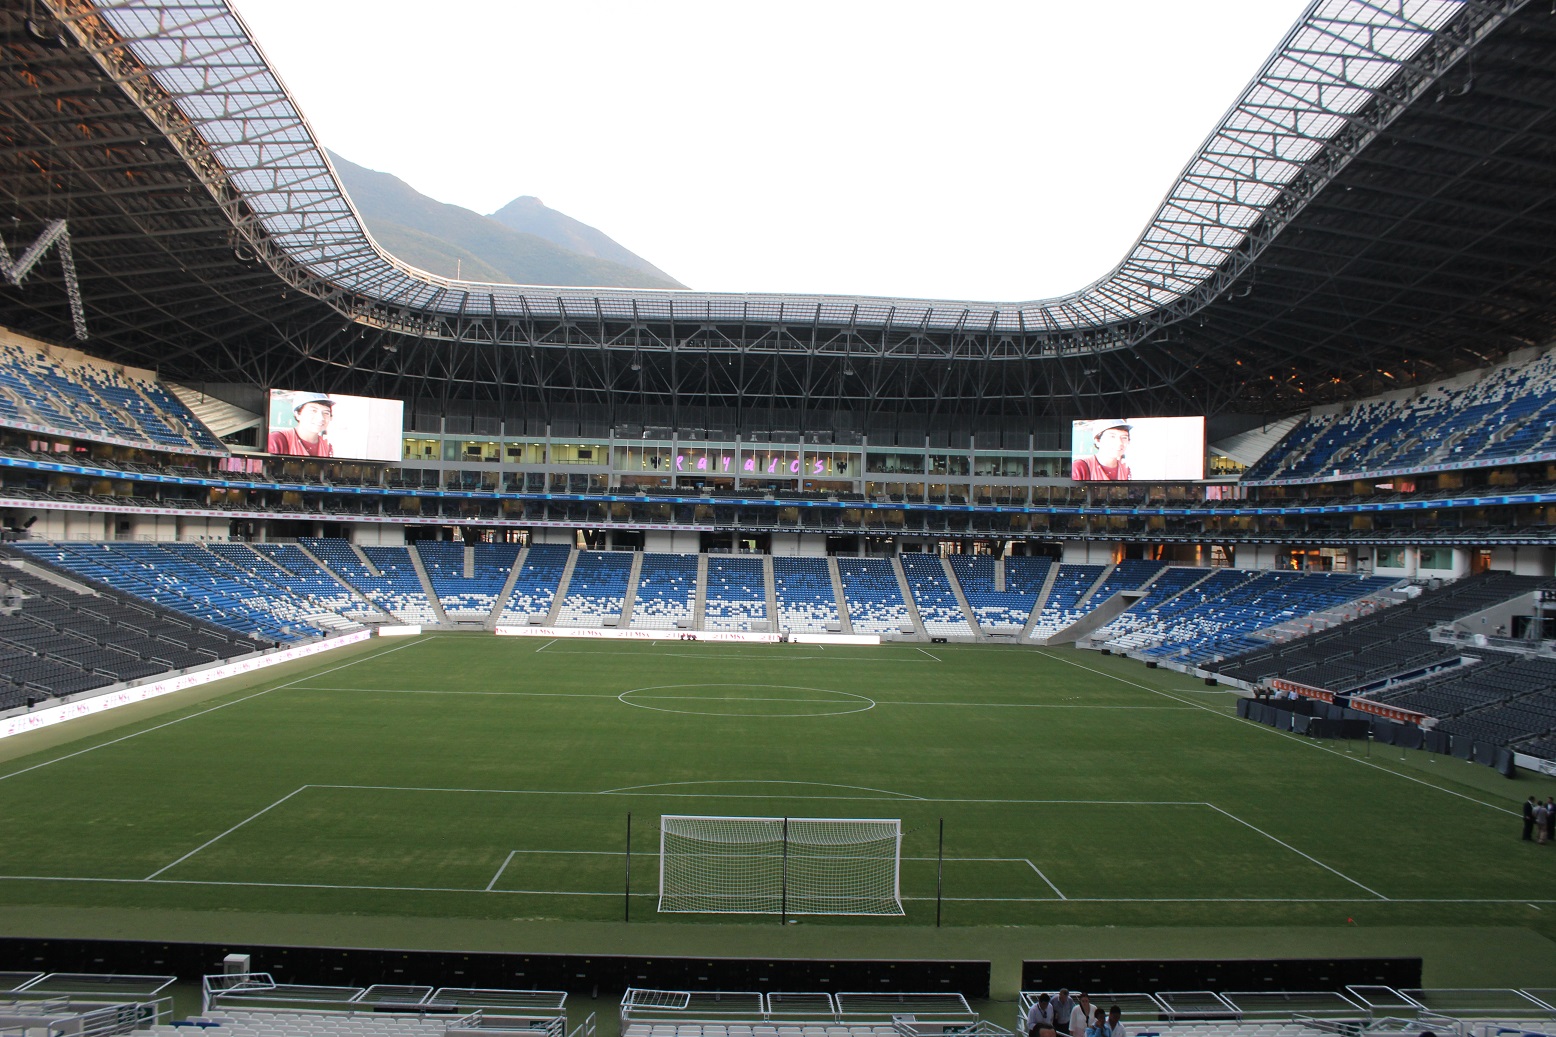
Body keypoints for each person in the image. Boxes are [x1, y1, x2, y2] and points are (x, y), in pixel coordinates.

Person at [268, 392, 335, 457]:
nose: (321, 418)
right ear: (297, 414)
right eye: (313, 411)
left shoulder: (327, 446)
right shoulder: (276, 440)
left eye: (326, 413)